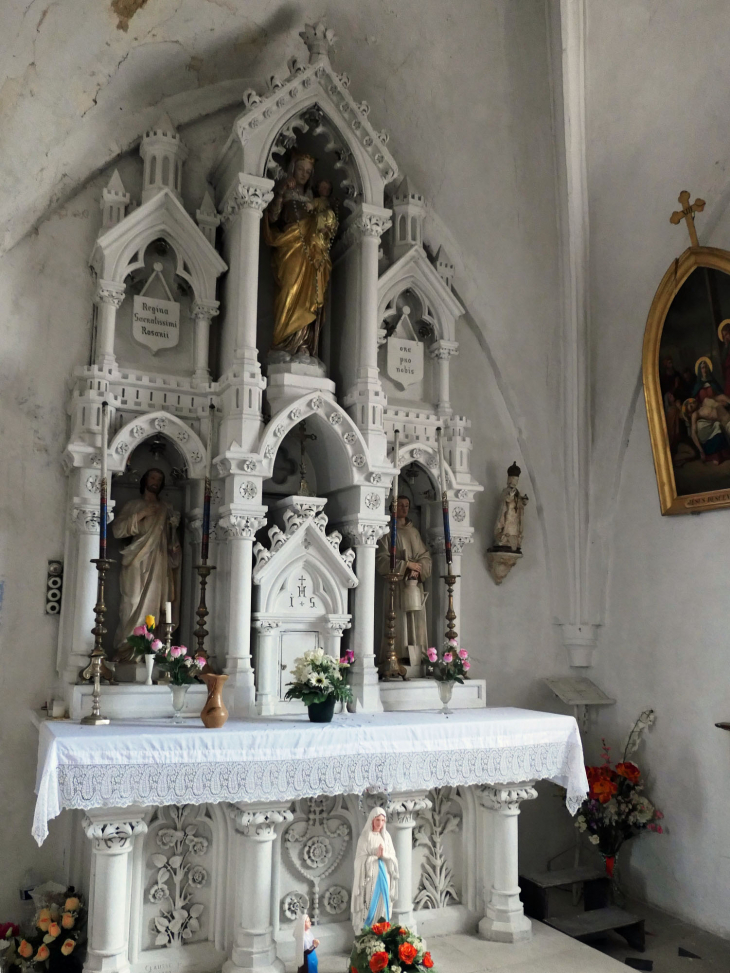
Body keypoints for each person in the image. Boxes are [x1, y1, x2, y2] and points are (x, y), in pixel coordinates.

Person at [263, 152, 338, 359]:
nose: (304, 174)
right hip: (289, 245)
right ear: (293, 168)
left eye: (308, 171)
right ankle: (282, 344)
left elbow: (326, 224)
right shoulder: (284, 191)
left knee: (310, 295)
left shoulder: (315, 199)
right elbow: (273, 217)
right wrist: (279, 194)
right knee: (289, 289)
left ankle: (303, 345)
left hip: (311, 250)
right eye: (300, 169)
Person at [112, 468, 181, 658]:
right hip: (136, 559)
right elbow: (118, 530)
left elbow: (171, 541)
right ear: (144, 479)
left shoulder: (166, 508)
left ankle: (148, 651)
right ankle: (126, 649)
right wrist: (142, 514)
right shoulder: (134, 505)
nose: (155, 482)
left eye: (159, 479)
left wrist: (173, 528)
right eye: (152, 477)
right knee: (132, 602)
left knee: (153, 607)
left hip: (158, 561)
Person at [375, 496, 431, 666]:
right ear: (393, 508)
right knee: (398, 621)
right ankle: (396, 656)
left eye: (407, 505)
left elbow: (425, 556)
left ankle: (416, 657)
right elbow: (381, 559)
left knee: (416, 620)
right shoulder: (388, 533)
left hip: (414, 584)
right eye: (401, 505)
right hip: (396, 585)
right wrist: (406, 565)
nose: (405, 509)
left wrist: (418, 568)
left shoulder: (414, 533)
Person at [351, 808, 399, 933]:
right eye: (378, 820)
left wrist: (385, 856)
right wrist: (374, 857)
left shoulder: (386, 836)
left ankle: (382, 931)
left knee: (384, 901)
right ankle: (369, 932)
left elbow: (393, 856)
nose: (380, 823)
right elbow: (359, 860)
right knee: (371, 901)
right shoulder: (365, 837)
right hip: (371, 876)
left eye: (383, 820)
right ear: (372, 820)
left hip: (385, 873)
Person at [491, 462, 529, 552]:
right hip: (508, 515)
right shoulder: (506, 490)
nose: (515, 481)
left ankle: (513, 541)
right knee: (507, 527)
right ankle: (503, 539)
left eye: (517, 480)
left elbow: (519, 503)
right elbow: (504, 500)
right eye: (514, 479)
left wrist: (523, 501)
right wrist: (510, 496)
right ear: (510, 479)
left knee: (514, 530)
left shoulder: (517, 492)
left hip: (515, 517)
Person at [683, 397, 730, 464]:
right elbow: (693, 433)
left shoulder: (706, 401)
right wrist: (701, 451)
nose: (692, 404)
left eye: (691, 402)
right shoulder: (695, 414)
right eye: (691, 406)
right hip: (726, 424)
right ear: (690, 413)